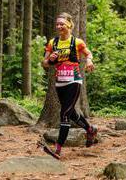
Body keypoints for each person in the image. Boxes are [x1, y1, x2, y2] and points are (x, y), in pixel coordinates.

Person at [40, 12, 97, 159]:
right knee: (71, 113)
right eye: (57, 24)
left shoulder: (77, 42)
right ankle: (90, 129)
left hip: (74, 81)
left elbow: (88, 54)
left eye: (62, 24)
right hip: (60, 82)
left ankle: (57, 149)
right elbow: (44, 63)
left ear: (69, 25)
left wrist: (89, 61)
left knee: (64, 114)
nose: (59, 27)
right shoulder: (53, 43)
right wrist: (50, 59)